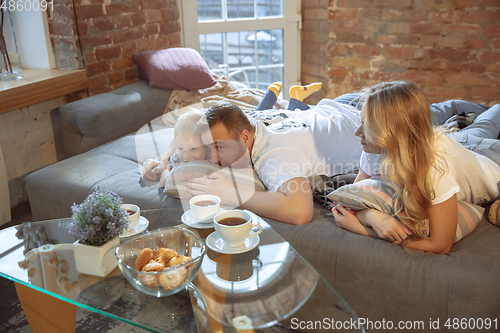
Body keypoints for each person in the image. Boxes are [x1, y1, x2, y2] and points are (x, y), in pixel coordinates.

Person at [331, 81, 500, 254]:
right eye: (362, 122)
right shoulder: (376, 147)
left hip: (492, 160)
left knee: (491, 119)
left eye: (367, 126)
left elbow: (440, 245)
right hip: (457, 142)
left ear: (392, 132)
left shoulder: (434, 168)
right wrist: (373, 217)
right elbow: (349, 197)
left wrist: (364, 230)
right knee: (484, 124)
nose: (358, 132)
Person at [142, 109, 209, 186]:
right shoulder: (177, 158)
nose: (186, 156)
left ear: (207, 147)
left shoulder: (210, 159)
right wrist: (165, 178)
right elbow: (167, 169)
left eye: (193, 149)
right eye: (181, 148)